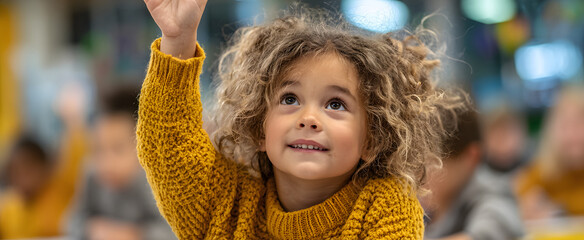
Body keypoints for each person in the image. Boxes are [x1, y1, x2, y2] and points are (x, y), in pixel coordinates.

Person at [138, 0, 464, 238]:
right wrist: (178, 39)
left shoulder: (385, 207)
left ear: (372, 140)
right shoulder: (227, 202)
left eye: (335, 104)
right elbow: (169, 144)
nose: (308, 118)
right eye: (289, 99)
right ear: (260, 128)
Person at [67, 87, 175, 240]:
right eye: (98, 149)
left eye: (117, 149)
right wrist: (90, 228)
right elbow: (71, 221)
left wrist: (135, 235)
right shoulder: (92, 174)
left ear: (146, 147)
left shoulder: (154, 182)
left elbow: (173, 231)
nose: (106, 162)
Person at [0, 86, 88, 239]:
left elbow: (77, 155)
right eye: (14, 173)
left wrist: (73, 120)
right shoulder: (8, 209)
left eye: (28, 170)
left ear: (46, 166)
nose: (22, 180)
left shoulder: (62, 189)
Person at [422, 108, 524, 240]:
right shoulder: (426, 210)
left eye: (431, 164)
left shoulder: (491, 194)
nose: (419, 177)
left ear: (472, 157)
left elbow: (494, 229)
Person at [516, 85, 584, 220]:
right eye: (565, 126)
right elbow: (519, 202)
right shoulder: (540, 174)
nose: (573, 134)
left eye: (579, 123)